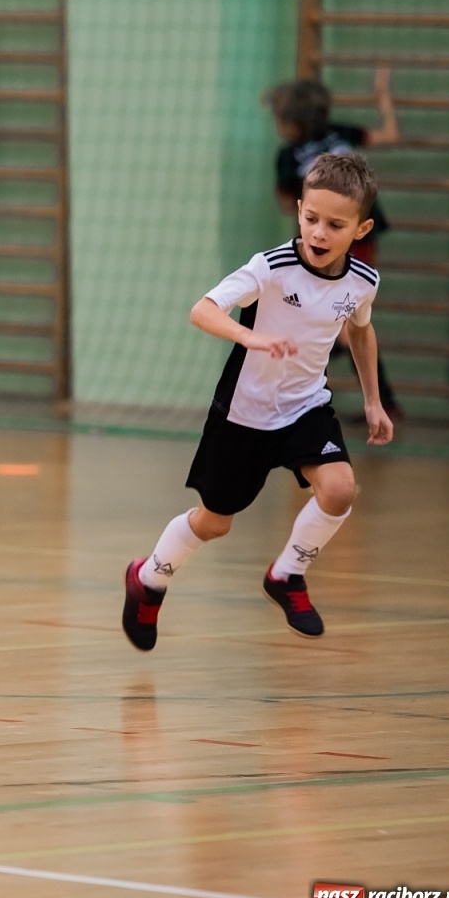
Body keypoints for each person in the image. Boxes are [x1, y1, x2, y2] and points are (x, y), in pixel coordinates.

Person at [122, 152, 393, 652]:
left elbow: (361, 331)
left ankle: (287, 574)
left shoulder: (362, 283)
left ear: (361, 228)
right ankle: (150, 578)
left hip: (306, 407)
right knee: (214, 522)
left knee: (339, 489)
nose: (319, 232)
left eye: (335, 224)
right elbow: (202, 310)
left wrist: (374, 401)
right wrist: (251, 340)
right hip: (244, 414)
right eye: (311, 218)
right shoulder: (271, 268)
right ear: (298, 210)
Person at [268, 67, 400, 417]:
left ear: (293, 123)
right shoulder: (338, 132)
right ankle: (374, 399)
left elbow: (286, 204)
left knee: (343, 321)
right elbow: (389, 133)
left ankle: (371, 400)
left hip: (329, 242)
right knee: (341, 318)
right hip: (360, 236)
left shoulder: (289, 155)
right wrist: (382, 94)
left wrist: (307, 203)